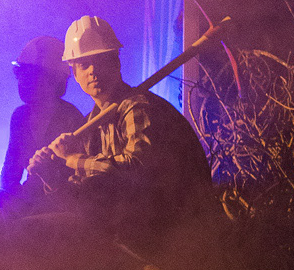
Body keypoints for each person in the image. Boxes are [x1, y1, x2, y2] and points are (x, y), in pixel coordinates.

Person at [24, 14, 217, 255]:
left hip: (177, 235)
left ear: (116, 62)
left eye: (101, 61)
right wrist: (51, 176)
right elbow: (83, 199)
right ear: (74, 73)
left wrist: (72, 159)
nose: (93, 71)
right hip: (134, 234)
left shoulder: (137, 107)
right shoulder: (91, 125)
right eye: (84, 64)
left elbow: (136, 168)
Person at [0, 36, 84, 198]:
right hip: (29, 203)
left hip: (61, 203)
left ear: (54, 79)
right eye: (20, 73)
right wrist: (3, 205)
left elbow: (77, 188)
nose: (22, 81)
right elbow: (10, 174)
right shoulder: (20, 117)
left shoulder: (71, 119)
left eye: (29, 75)